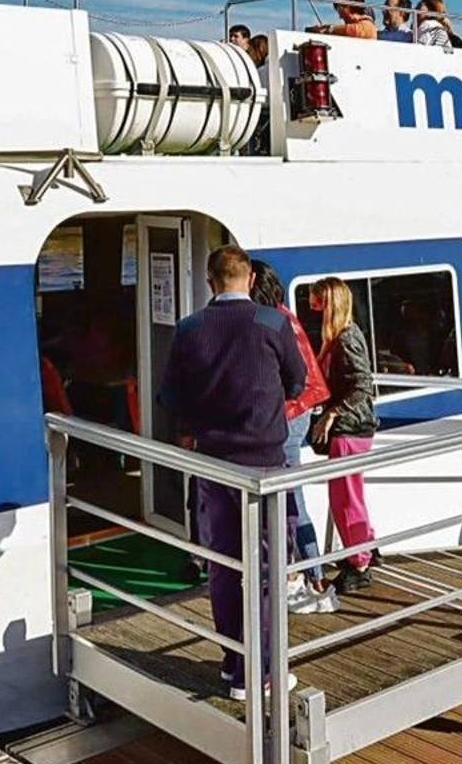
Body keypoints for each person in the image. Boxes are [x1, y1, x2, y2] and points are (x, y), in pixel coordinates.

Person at [161, 245, 305, 700]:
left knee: (223, 564)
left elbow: (169, 395)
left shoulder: (188, 329)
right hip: (264, 464)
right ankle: (257, 672)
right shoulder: (273, 323)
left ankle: (231, 660)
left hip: (212, 462)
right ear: (248, 279)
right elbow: (298, 382)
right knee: (264, 568)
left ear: (210, 282)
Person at [250, 261, 338, 611]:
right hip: (296, 414)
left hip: (289, 416)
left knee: (290, 500)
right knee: (289, 498)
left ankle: (304, 577)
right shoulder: (282, 315)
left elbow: (293, 377)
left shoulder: (272, 322)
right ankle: (308, 573)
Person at [308, 277, 380, 593]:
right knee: (350, 495)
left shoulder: (346, 338)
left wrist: (331, 413)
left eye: (317, 304)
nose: (314, 311)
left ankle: (359, 562)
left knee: (345, 498)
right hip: (352, 429)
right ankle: (365, 547)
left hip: (350, 429)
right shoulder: (343, 336)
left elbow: (362, 383)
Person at [307, 0, 377, 39]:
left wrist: (330, 29)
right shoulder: (344, 30)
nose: (339, 10)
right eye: (337, 6)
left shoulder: (368, 25)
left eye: (341, 5)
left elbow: (357, 30)